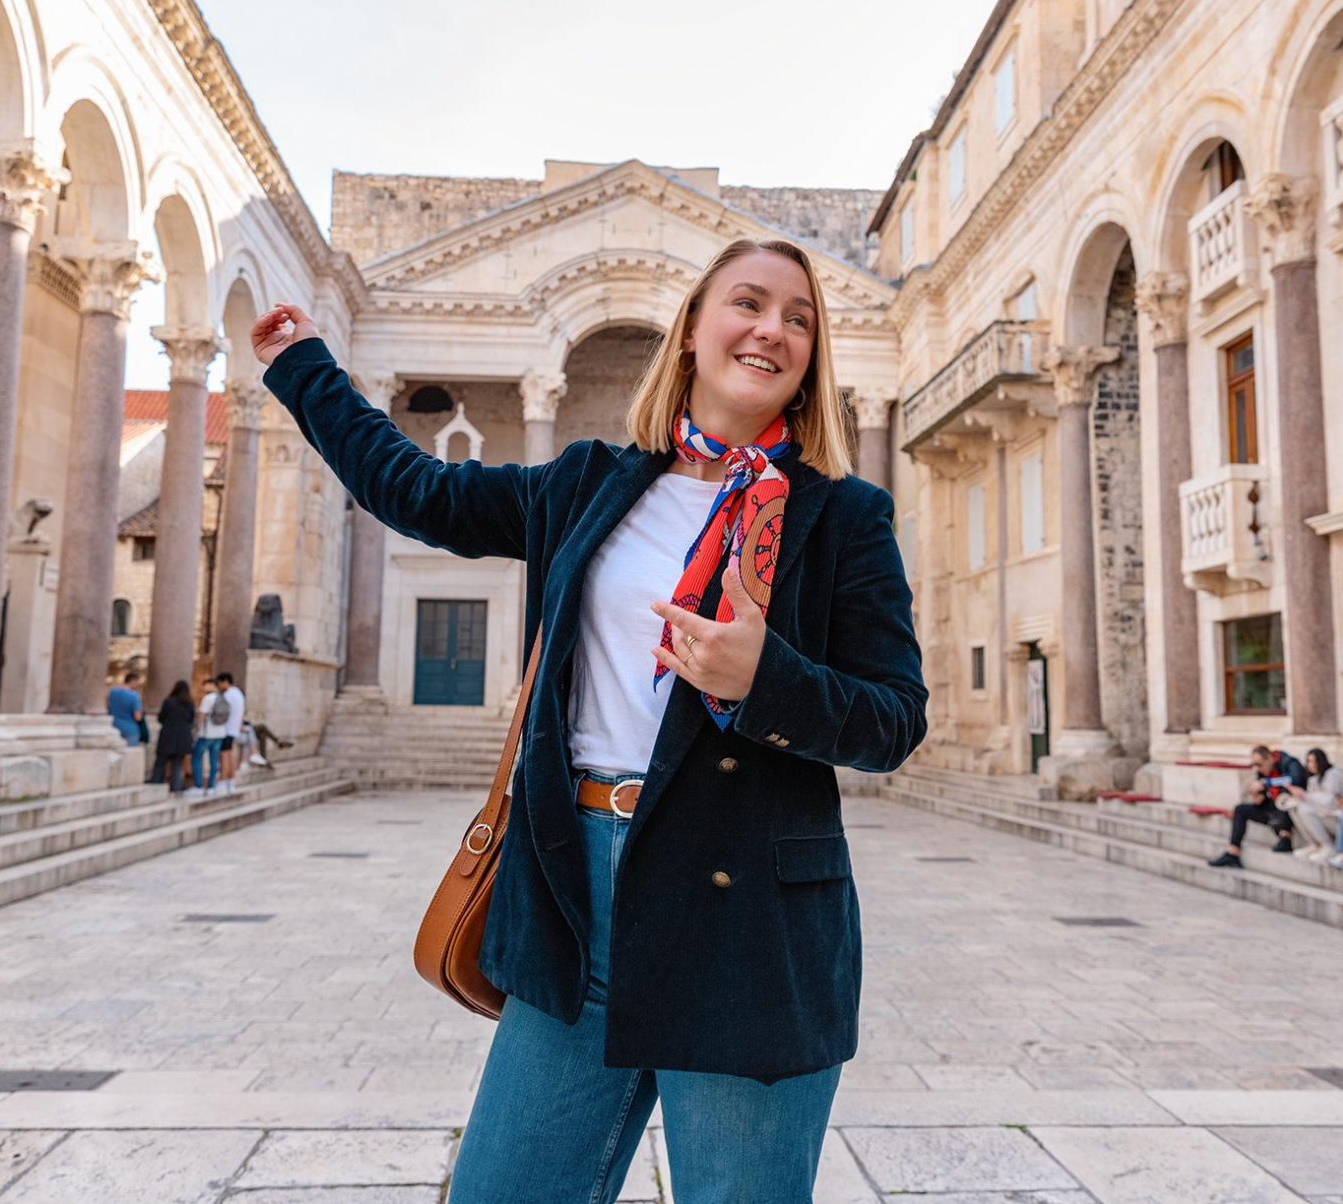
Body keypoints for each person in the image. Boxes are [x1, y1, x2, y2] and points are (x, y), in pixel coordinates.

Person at [254, 236, 926, 1204]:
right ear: (693, 328)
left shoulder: (844, 517)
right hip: (577, 897)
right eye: (749, 303)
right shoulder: (585, 486)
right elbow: (415, 491)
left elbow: (892, 718)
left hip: (750, 931)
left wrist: (760, 677)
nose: (773, 329)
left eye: (799, 319)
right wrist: (304, 367)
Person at [1209, 744, 1307, 868]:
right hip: (1273, 811)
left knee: (1284, 795)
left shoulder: (1289, 762)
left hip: (1293, 809)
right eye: (1256, 766)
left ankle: (1285, 838)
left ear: (1270, 758)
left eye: (1260, 765)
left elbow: (1295, 778)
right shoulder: (1263, 772)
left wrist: (1267, 782)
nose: (1259, 769)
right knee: (1240, 809)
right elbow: (1264, 793)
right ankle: (1232, 853)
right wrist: (1259, 797)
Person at [1279, 748, 1343, 862]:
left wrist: (1305, 796)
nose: (1311, 765)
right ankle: (1315, 844)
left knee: (1304, 809)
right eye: (1308, 761)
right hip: (1326, 815)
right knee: (1293, 806)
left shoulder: (1333, 774)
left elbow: (1331, 802)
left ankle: (1328, 846)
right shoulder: (1314, 778)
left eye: (1314, 761)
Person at [190, 673, 242, 799]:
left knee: (196, 759)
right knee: (214, 761)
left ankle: (198, 786)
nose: (203, 687)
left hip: (207, 733)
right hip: (221, 733)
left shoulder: (209, 698)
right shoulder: (225, 697)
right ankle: (212, 786)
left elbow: (201, 715)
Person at [152, 679, 196, 793]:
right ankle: (175, 787)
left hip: (168, 736)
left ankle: (155, 785)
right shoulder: (189, 704)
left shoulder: (169, 702)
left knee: (160, 762)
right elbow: (191, 720)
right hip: (183, 737)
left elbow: (161, 718)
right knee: (177, 764)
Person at [108, 671, 144, 746]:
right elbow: (138, 717)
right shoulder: (134, 696)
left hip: (113, 727)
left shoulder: (112, 691)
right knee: (131, 755)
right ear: (133, 681)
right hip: (130, 730)